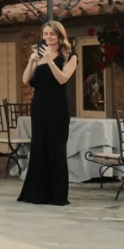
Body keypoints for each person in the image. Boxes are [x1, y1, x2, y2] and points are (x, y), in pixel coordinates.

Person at [18, 21, 77, 206]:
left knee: (56, 149)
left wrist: (50, 61)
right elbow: (26, 80)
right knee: (39, 147)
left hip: (57, 108)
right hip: (39, 107)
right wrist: (31, 61)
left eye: (52, 34)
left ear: (60, 35)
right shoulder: (39, 56)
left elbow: (62, 79)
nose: (49, 37)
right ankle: (36, 194)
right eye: (46, 33)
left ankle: (56, 195)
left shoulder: (69, 56)